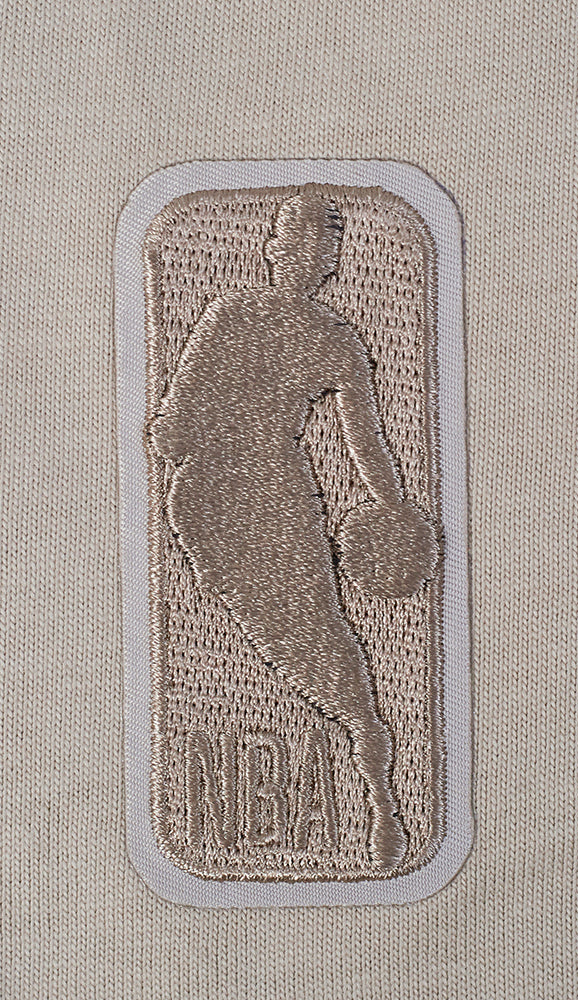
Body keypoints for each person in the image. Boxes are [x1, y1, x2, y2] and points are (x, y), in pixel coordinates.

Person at [148, 189, 436, 870]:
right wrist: (392, 507)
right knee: (306, 639)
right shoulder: (241, 319)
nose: (308, 254)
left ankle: (376, 786)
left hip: (261, 496)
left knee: (321, 639)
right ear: (277, 249)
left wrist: (394, 511)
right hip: (228, 500)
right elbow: (173, 430)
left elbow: (364, 445)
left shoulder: (317, 337)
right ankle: (372, 776)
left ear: (327, 259)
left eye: (318, 244)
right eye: (301, 240)